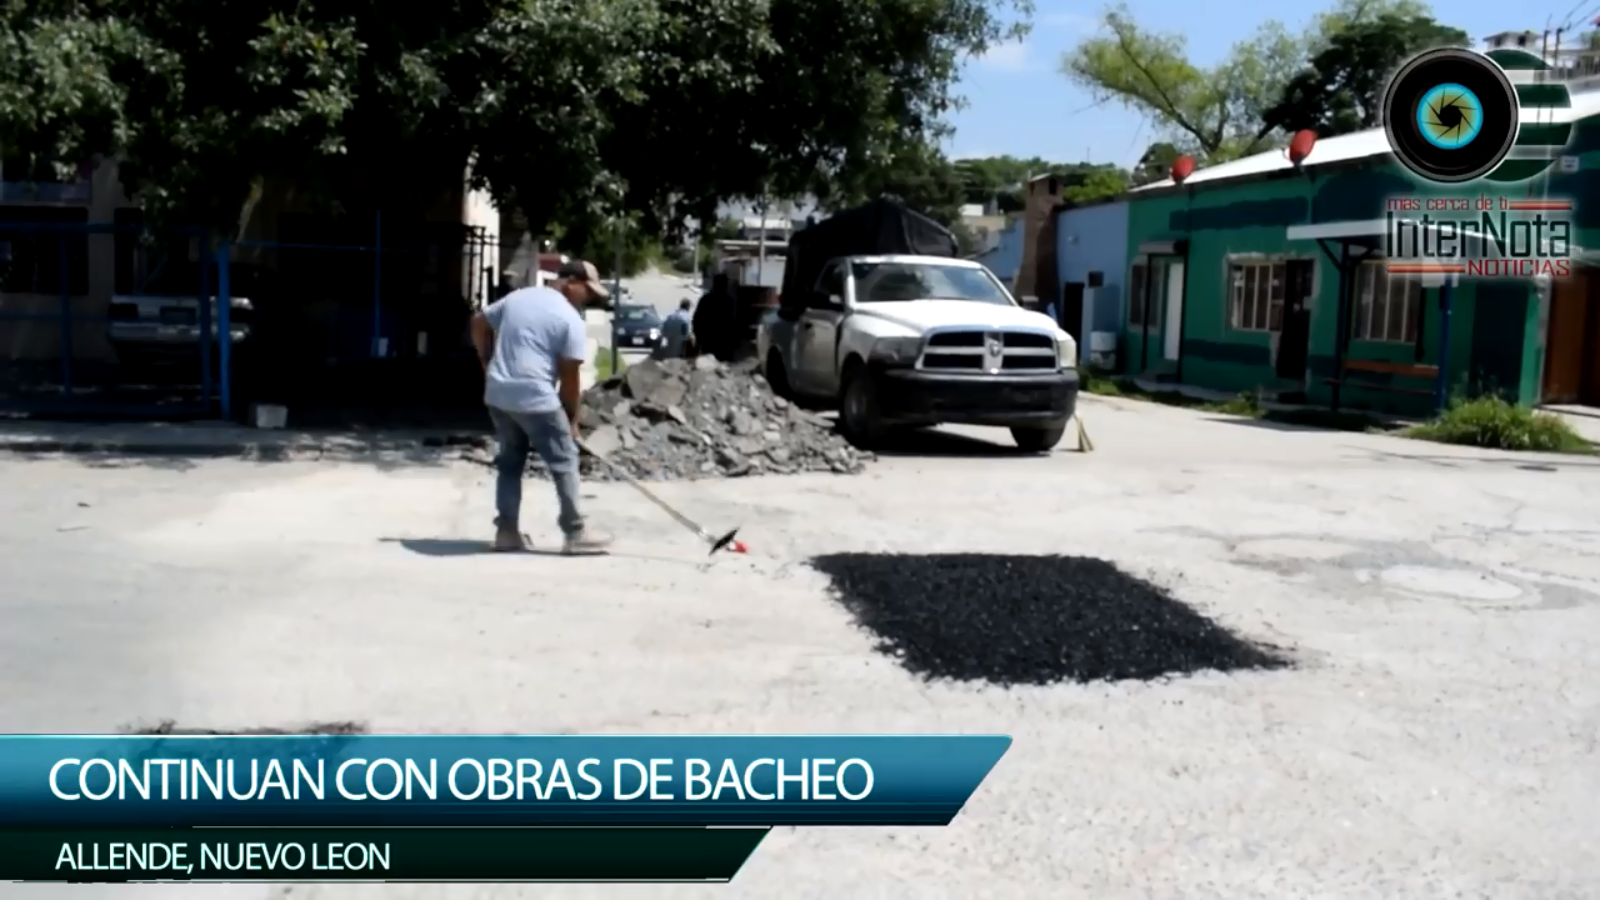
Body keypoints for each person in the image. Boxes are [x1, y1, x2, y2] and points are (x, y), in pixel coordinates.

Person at [470, 259, 613, 555]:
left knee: (510, 462)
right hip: (536, 396)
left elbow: (478, 322)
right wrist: (571, 421)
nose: (588, 298)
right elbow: (570, 379)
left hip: (498, 394)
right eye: (587, 291)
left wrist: (486, 361)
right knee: (565, 460)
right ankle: (575, 532)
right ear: (570, 283)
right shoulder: (570, 319)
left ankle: (506, 532)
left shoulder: (519, 297)